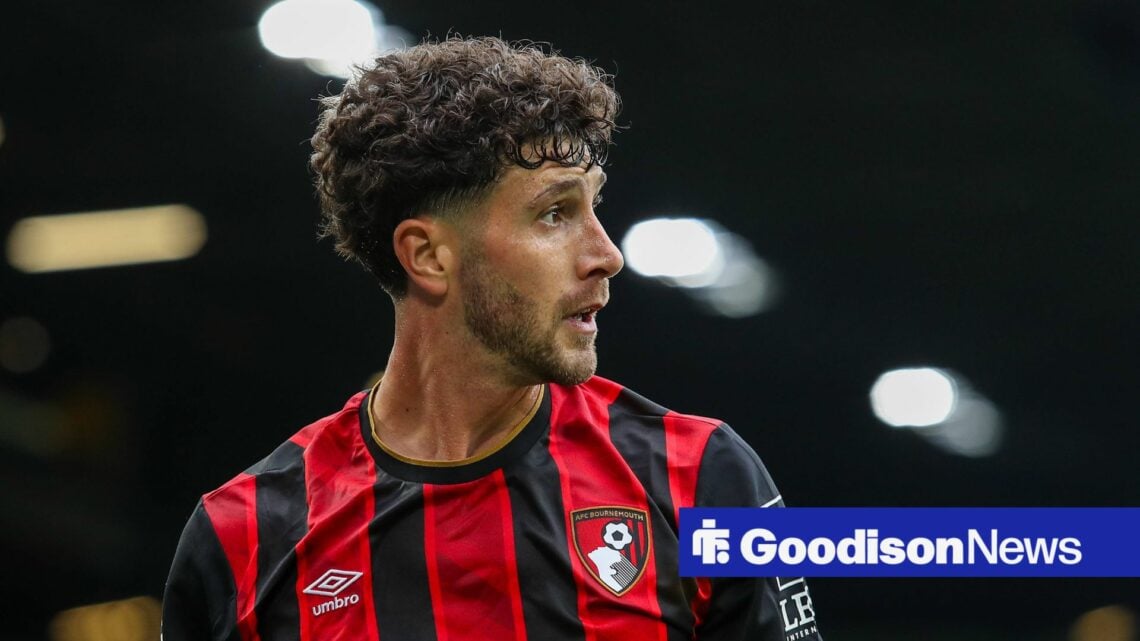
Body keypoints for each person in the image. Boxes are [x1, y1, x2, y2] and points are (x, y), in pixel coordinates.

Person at [161, 36, 822, 641]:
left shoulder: (706, 478)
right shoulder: (242, 537)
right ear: (428, 256)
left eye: (596, 205)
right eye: (555, 213)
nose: (606, 254)